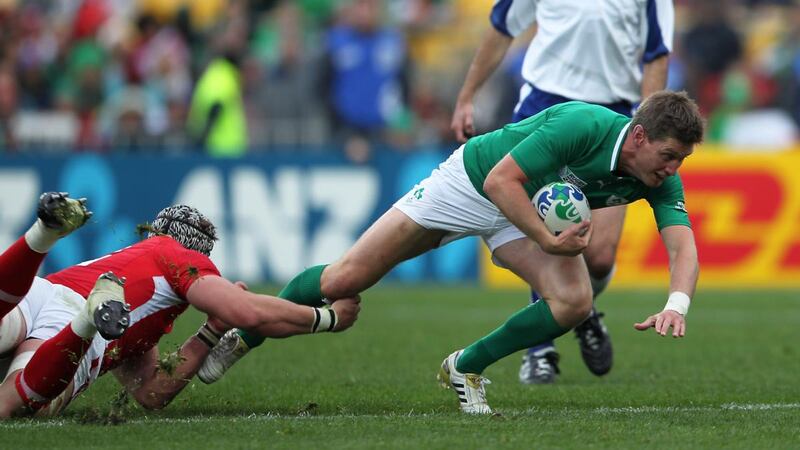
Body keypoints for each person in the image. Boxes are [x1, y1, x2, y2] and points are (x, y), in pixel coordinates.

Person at [199, 90, 704, 415]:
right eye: (667, 155)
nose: (672, 168)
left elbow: (682, 245)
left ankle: (465, 366)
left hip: (523, 208)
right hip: (473, 182)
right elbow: (500, 180)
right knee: (343, 280)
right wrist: (548, 238)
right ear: (638, 135)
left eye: (681, 160)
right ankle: (245, 335)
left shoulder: (657, 176)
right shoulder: (583, 125)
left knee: (573, 301)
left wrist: (675, 305)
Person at [450, 0, 675, 384]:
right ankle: (539, 351)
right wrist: (467, 95)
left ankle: (582, 310)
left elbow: (656, 54)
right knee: (546, 237)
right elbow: (502, 26)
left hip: (613, 116)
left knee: (600, 256)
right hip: (545, 106)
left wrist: (646, 126)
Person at [0, 192, 360, 418]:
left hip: (39, 292)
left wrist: (213, 328)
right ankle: (85, 321)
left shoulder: (140, 274)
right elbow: (248, 313)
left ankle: (41, 236)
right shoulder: (180, 257)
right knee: (16, 405)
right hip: (78, 323)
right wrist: (326, 318)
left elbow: (149, 393)